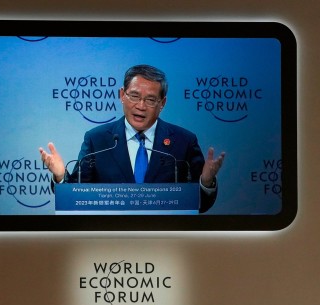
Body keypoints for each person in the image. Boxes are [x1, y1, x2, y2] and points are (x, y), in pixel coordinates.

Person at [39, 64, 225, 213]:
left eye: (151, 100)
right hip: (109, 240)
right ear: (122, 95)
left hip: (165, 239)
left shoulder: (184, 141)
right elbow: (76, 197)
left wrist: (206, 183)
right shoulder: (97, 140)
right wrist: (61, 176)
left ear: (163, 103)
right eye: (134, 96)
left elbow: (200, 205)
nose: (141, 106)